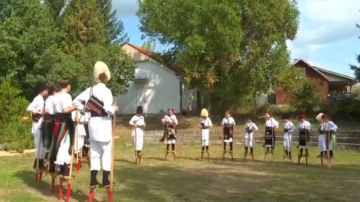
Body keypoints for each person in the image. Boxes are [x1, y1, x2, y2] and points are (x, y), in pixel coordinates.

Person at [73, 61, 118, 198]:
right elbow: (107, 109)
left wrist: (85, 109)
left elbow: (75, 102)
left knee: (95, 153)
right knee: (106, 152)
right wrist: (114, 108)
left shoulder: (90, 90)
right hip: (103, 123)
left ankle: (93, 179)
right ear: (105, 77)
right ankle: (105, 179)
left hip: (92, 124)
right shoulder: (106, 91)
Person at [51, 78, 76, 180]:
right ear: (68, 86)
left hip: (57, 121)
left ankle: (58, 168)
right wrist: (75, 107)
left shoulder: (55, 96)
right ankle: (64, 171)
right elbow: (66, 109)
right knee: (64, 145)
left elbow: (52, 111)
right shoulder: (67, 96)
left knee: (58, 144)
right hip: (65, 122)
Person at [26, 82, 48, 171]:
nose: (47, 92)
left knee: (42, 145)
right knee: (39, 145)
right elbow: (29, 108)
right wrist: (37, 112)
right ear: (42, 90)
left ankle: (40, 162)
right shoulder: (38, 99)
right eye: (46, 90)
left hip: (41, 123)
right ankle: (37, 163)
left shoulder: (42, 99)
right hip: (37, 124)